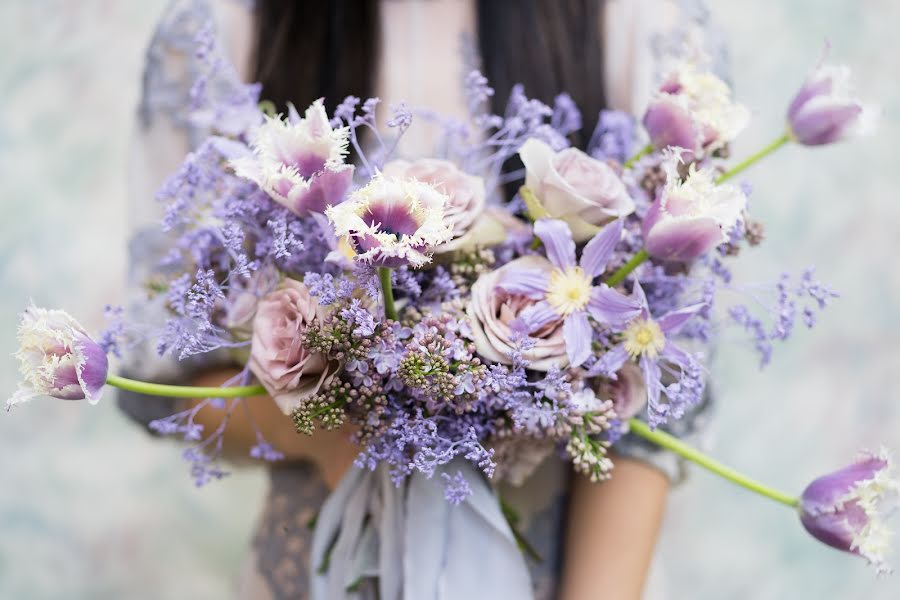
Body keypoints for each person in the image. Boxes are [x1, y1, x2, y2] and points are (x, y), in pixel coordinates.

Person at [121, 1, 720, 598]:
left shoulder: (645, 24)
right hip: (322, 571)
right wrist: (330, 429)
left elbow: (661, 389)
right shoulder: (224, 26)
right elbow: (166, 359)